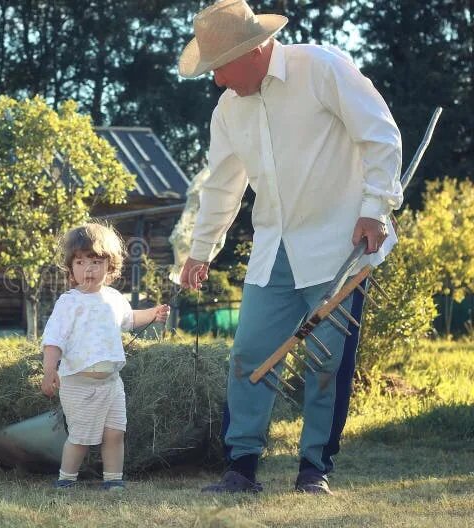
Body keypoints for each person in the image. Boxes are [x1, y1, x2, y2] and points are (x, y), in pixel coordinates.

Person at [177, 0, 402, 495]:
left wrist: (376, 208)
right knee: (250, 354)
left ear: (254, 50)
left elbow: (381, 135)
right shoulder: (228, 109)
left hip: (341, 246)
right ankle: (241, 467)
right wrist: (201, 250)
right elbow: (222, 186)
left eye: (221, 68)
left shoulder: (321, 68)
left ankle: (313, 469)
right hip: (274, 248)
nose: (216, 81)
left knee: (327, 362)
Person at [40, 222, 170, 490]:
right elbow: (53, 341)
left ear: (110, 266)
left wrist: (153, 314)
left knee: (115, 433)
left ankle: (113, 481)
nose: (88, 268)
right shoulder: (69, 303)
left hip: (111, 384)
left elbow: (130, 318)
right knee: (81, 437)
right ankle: (66, 480)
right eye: (80, 262)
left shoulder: (113, 298)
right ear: (70, 268)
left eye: (96, 261)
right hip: (78, 383)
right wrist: (49, 372)